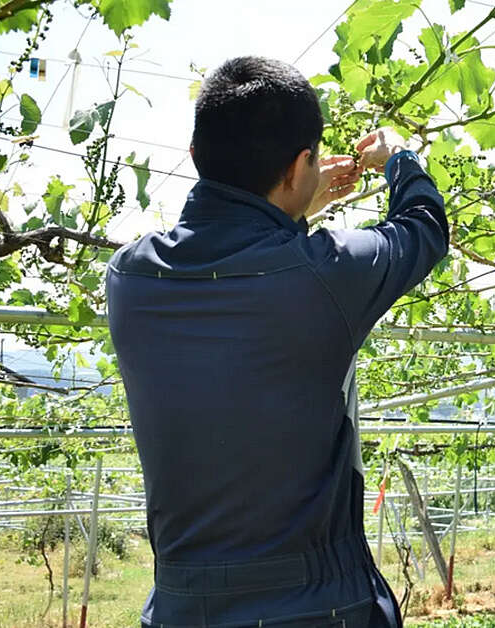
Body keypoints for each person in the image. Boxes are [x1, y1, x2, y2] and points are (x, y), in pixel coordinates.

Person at [106, 57, 448, 628]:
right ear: (298, 165)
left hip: (183, 611)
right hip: (321, 609)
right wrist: (399, 159)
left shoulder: (129, 277)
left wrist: (289, 205)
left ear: (196, 156)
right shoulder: (326, 274)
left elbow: (234, 256)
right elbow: (423, 227)